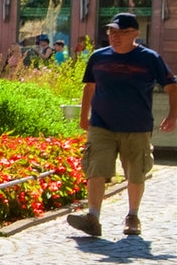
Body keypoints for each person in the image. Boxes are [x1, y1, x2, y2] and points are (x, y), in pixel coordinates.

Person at [67, 12, 177, 238]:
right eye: (112, 32)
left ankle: (133, 216)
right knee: (95, 167)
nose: (115, 37)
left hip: (137, 126)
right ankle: (93, 217)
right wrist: (83, 116)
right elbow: (89, 87)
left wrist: (172, 115)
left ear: (135, 34)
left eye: (122, 32)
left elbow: (171, 85)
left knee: (135, 172)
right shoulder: (98, 57)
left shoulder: (149, 58)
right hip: (101, 125)